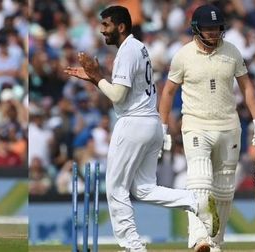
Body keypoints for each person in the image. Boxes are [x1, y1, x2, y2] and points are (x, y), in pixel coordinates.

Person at [64, 6, 219, 252]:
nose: (102, 30)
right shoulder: (139, 47)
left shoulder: (127, 52)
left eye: (106, 25)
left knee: (116, 189)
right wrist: (96, 78)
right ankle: (195, 200)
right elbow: (124, 92)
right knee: (143, 189)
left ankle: (133, 247)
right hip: (151, 124)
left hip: (133, 124)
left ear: (121, 26)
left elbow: (117, 94)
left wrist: (96, 76)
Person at [159, 4, 255, 252]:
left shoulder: (232, 52)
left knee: (224, 189)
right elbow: (167, 92)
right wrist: (163, 127)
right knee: (200, 180)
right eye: (208, 29)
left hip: (228, 127)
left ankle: (215, 242)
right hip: (196, 125)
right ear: (197, 29)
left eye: (217, 28)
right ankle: (200, 238)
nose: (213, 33)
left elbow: (247, 87)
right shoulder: (183, 55)